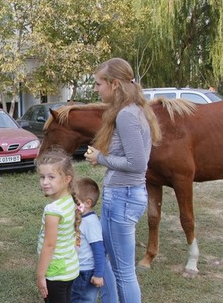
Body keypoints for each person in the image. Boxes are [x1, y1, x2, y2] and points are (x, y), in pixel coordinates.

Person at [84, 58, 162, 303]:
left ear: (114, 84)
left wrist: (101, 158)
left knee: (123, 272)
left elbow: (138, 164)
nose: (96, 89)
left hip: (123, 198)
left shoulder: (127, 115)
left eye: (99, 84)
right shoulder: (132, 110)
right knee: (107, 261)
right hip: (121, 196)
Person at [36, 148, 81, 302]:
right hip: (69, 269)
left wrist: (40, 275)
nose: (45, 182)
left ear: (67, 178)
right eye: (42, 177)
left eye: (51, 177)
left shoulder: (53, 210)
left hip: (56, 273)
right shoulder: (70, 200)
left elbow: (49, 245)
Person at [71, 177, 118, 303]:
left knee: (84, 299)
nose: (72, 204)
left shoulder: (91, 223)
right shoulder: (80, 217)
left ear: (87, 203)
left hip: (87, 273)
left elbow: (99, 251)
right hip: (77, 270)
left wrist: (98, 274)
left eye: (75, 201)